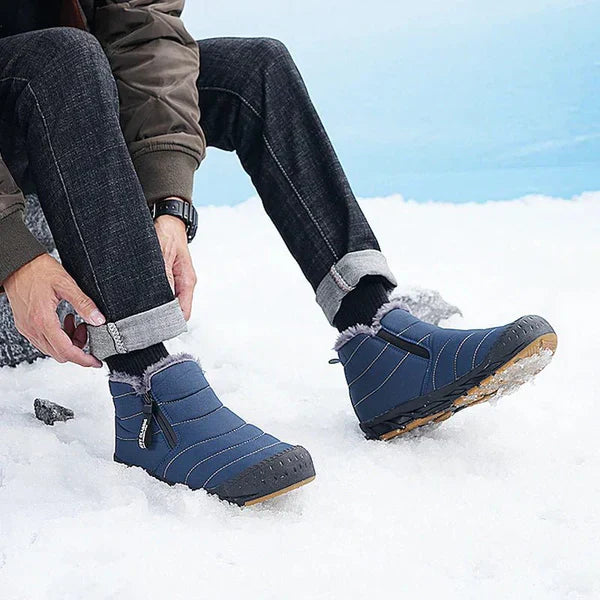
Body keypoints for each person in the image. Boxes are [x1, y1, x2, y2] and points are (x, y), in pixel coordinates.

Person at [0, 1, 557, 506]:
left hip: (64, 100)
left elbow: (147, 35)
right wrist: (13, 250)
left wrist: (167, 198)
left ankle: (374, 331)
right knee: (64, 58)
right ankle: (147, 390)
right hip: (35, 97)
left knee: (256, 68)